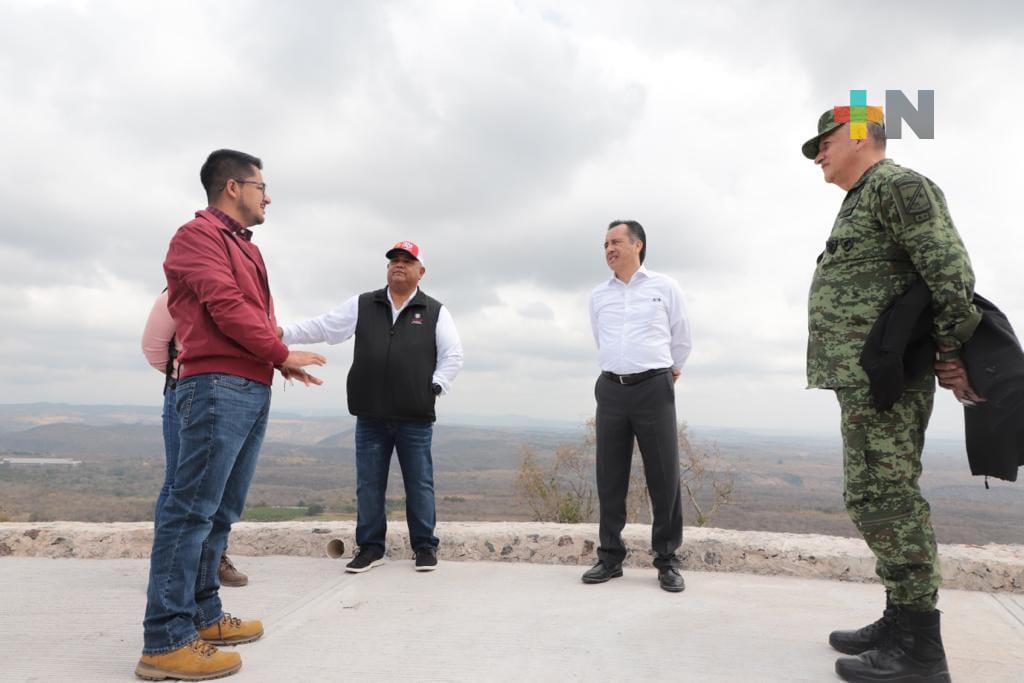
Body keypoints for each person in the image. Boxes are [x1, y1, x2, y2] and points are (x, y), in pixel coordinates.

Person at [803, 109, 981, 683]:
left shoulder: (899, 185)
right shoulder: (861, 198)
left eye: (824, 143)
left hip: (890, 380)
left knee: (887, 500)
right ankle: (901, 619)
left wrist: (953, 352)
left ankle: (922, 652)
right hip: (867, 380)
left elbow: (949, 272)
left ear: (859, 135)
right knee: (873, 495)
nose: (818, 155)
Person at [136, 149, 326, 681]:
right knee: (190, 510)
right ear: (232, 188)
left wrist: (275, 362)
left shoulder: (244, 247)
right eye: (262, 186)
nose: (268, 197)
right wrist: (279, 350)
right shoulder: (195, 237)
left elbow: (250, 316)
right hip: (215, 386)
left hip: (248, 384)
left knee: (220, 510)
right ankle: (165, 639)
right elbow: (224, 304)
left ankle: (204, 615)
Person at [279, 241, 463, 573]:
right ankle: (370, 548)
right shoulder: (364, 304)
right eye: (394, 260)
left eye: (408, 261)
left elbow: (453, 356)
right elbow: (324, 326)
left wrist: (434, 386)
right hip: (370, 414)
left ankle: (424, 547)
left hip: (414, 416)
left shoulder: (435, 311)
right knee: (368, 483)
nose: (399, 265)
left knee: (419, 482)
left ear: (421, 271)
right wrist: (282, 333)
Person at [582, 220, 692, 593]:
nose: (609, 249)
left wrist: (666, 373)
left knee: (664, 477)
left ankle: (667, 560)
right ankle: (610, 557)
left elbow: (682, 337)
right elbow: (601, 338)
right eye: (605, 244)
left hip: (653, 388)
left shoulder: (665, 287)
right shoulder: (599, 295)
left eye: (616, 241)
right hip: (611, 388)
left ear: (638, 245)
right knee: (609, 476)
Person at [141, 291, 249, 588]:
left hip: (233, 395)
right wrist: (186, 374)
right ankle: (166, 569)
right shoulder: (175, 293)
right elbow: (153, 348)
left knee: (223, 482)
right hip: (186, 392)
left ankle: (213, 560)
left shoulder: (242, 293)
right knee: (179, 482)